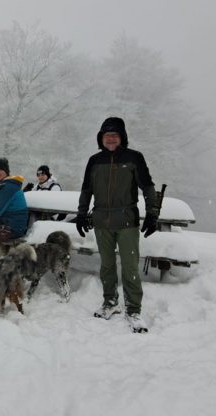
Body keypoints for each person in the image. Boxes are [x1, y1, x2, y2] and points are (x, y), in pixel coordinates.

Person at [76, 117, 159, 332]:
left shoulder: (134, 158)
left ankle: (133, 309)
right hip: (101, 221)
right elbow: (86, 190)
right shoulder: (94, 161)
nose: (110, 138)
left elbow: (148, 187)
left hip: (127, 221)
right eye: (106, 135)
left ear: (122, 138)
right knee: (107, 265)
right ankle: (110, 302)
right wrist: (81, 213)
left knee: (130, 266)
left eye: (115, 135)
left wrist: (153, 213)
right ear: (101, 138)